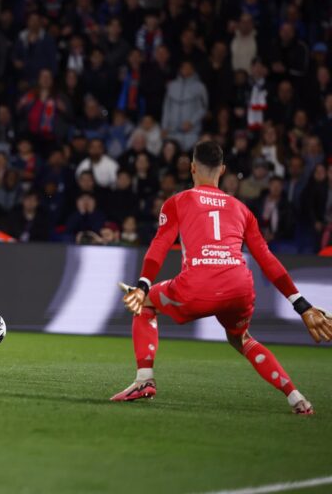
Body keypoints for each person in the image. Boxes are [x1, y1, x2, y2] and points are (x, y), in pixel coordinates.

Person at [113, 141, 332, 415]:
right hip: (239, 287)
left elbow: (159, 247)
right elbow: (267, 259)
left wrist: (143, 285)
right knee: (242, 339)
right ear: (223, 170)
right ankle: (296, 398)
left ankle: (144, 380)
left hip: (198, 286)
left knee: (145, 305)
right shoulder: (242, 209)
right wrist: (301, 304)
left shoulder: (178, 202)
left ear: (192, 168)